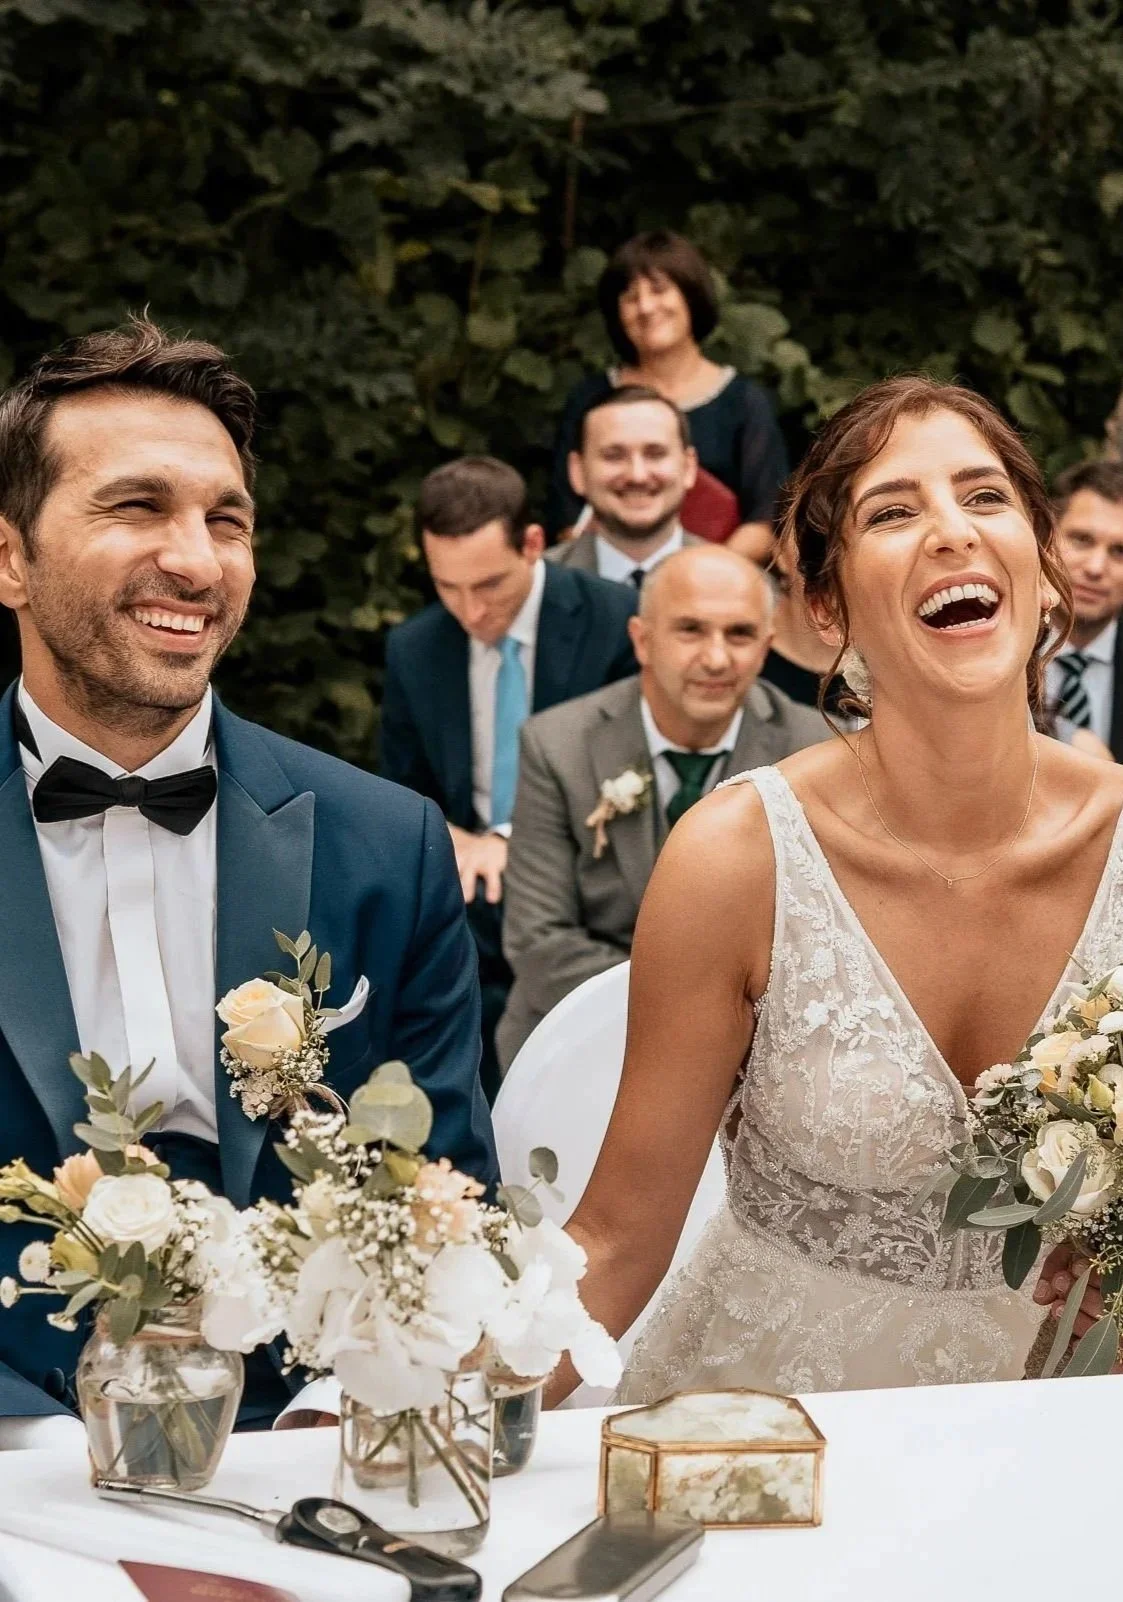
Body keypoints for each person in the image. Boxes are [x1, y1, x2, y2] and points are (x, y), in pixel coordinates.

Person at [544, 374, 1123, 1408]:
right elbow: (618, 1239)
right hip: (767, 1433)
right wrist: (410, 1421)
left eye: (984, 497)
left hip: (1059, 1435)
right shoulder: (736, 858)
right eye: (893, 512)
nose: (952, 531)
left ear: (1042, 570)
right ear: (824, 607)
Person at [0, 318, 497, 1440]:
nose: (197, 560)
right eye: (138, 507)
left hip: (305, 1451)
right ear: (11, 560)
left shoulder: (390, 845)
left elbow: (446, 1198)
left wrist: (334, 1413)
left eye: (226, 520)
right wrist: (33, 1450)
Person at [497, 546, 824, 1068]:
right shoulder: (557, 745)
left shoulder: (817, 750)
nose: (716, 658)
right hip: (582, 1038)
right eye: (691, 630)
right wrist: (697, 1009)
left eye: (739, 634)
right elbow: (539, 941)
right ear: (642, 640)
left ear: (765, 648)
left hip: (759, 1052)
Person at [379, 456, 637, 1098]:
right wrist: (450, 836)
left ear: (532, 543)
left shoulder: (616, 619)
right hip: (470, 887)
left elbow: (631, 763)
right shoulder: (416, 647)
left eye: (489, 584)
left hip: (590, 873)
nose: (470, 610)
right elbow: (403, 787)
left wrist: (509, 838)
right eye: (447, 587)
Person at [546, 231, 788, 563]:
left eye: (659, 290)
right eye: (631, 297)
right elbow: (566, 518)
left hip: (714, 580)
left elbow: (766, 520)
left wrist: (689, 577)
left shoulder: (744, 402)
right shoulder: (590, 399)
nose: (646, 307)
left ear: (691, 296)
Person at [547, 387, 705, 588]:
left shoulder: (738, 585)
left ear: (688, 467)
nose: (637, 476)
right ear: (578, 472)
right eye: (614, 456)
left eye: (655, 454)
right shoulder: (536, 587)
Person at [1044, 459, 1123, 759]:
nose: (1095, 567)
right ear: (1046, 538)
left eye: (1120, 551)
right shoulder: (991, 641)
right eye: (1082, 540)